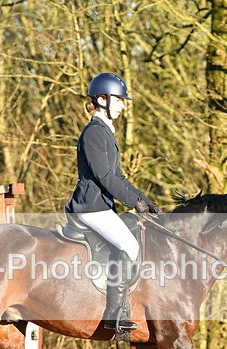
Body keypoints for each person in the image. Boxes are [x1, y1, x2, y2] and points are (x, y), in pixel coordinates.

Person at [65, 72, 161, 333]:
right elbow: (104, 176)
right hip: (90, 206)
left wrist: (143, 200)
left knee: (133, 238)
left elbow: (118, 176)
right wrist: (133, 202)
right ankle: (114, 314)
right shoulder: (94, 133)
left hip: (100, 205)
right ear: (101, 99)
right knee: (129, 244)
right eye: (119, 99)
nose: (123, 104)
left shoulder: (105, 132)